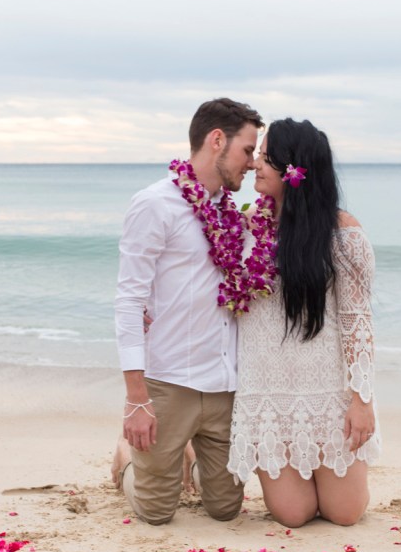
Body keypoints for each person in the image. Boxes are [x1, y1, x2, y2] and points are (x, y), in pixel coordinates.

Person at [111, 98, 263, 525]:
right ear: (218, 140)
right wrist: (136, 399)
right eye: (247, 150)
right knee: (157, 513)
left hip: (223, 384)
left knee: (225, 509)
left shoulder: (232, 216)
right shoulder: (154, 204)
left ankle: (188, 450)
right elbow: (128, 300)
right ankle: (126, 456)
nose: (251, 164)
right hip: (168, 383)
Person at [226, 118, 380, 527]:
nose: (256, 163)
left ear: (294, 168)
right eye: (256, 153)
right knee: (293, 516)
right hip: (268, 394)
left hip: (328, 392)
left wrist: (361, 400)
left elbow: (356, 320)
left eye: (266, 156)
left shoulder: (341, 235)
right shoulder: (242, 231)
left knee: (345, 514)